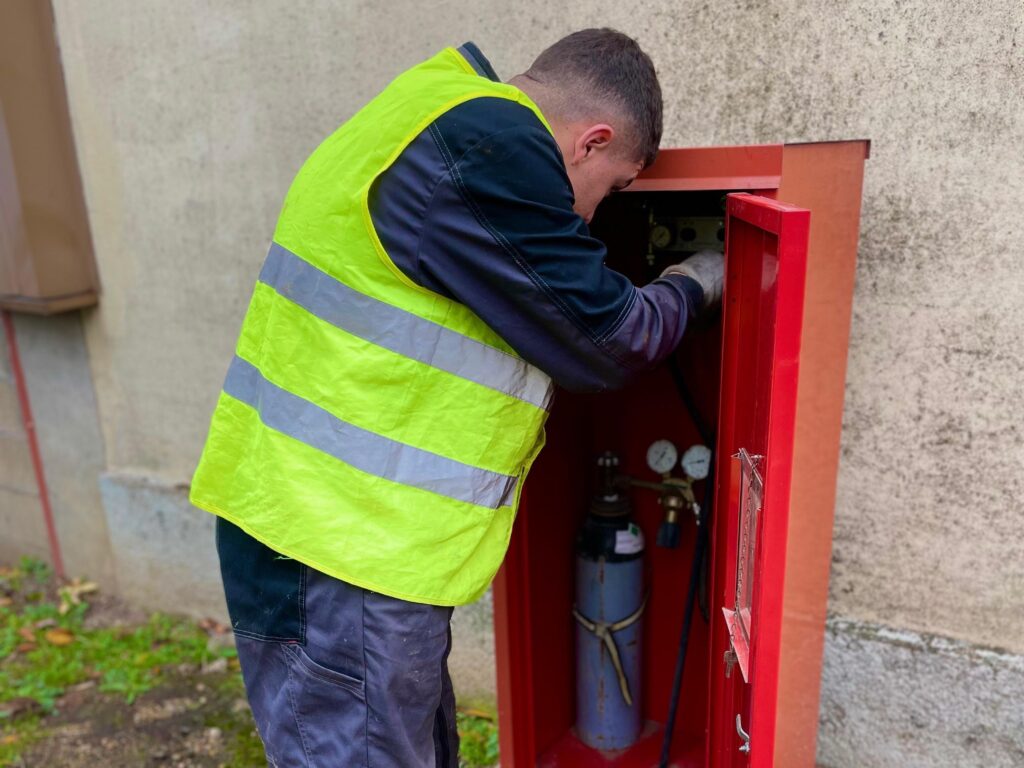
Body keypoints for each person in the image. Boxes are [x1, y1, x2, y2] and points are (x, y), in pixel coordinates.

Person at [190, 28, 723, 767]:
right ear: (590, 142)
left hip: (341, 544)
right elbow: (610, 338)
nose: (599, 215)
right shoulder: (485, 141)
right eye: (615, 189)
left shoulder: (428, 109)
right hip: (338, 554)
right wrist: (698, 278)